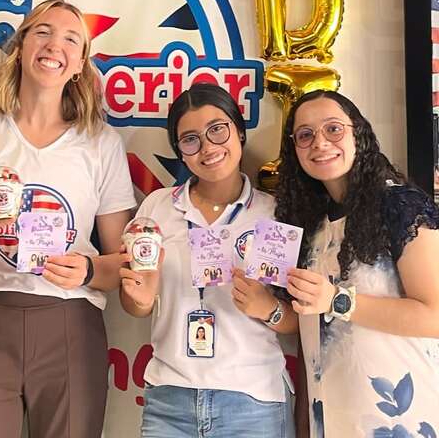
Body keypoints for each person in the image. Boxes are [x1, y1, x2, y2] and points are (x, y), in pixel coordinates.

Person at [0, 0, 136, 438]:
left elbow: (123, 266)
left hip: (71, 322)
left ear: (80, 63)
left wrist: (86, 268)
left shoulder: (101, 144)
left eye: (70, 38)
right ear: (21, 47)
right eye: (42, 32)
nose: (54, 45)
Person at [120, 82, 296, 438]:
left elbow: (298, 320)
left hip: (253, 401)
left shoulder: (273, 213)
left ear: (239, 131)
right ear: (180, 151)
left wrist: (268, 308)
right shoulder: (157, 207)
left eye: (218, 130)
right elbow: (134, 304)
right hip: (170, 398)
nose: (208, 147)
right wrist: (139, 298)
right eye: (191, 139)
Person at [275, 90, 439, 438]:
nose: (320, 143)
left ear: (358, 134)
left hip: (400, 414)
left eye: (333, 129)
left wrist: (337, 300)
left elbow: (435, 315)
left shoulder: (401, 206)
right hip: (331, 415)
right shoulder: (311, 227)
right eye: (305, 135)